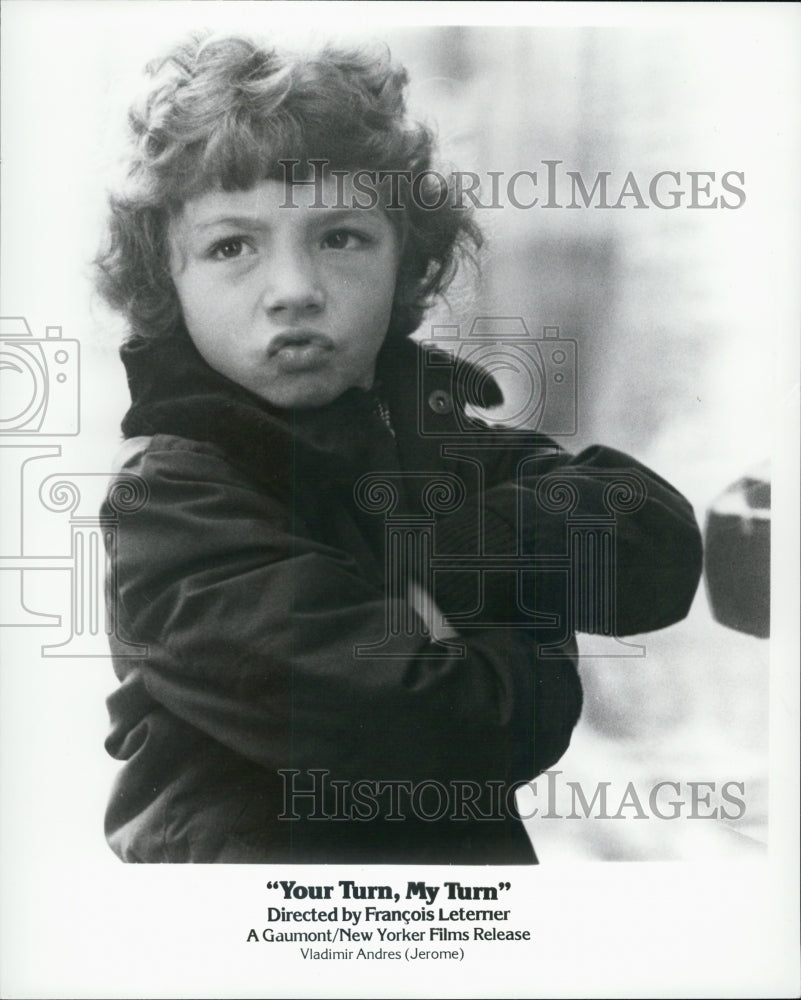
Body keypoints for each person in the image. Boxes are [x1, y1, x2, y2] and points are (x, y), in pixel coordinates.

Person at [95, 32, 703, 864]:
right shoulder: (171, 499)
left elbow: (653, 545)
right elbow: (447, 732)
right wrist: (534, 623)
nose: (294, 291)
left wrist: (433, 544)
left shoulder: (419, 427)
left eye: (339, 237)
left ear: (403, 259)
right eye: (231, 246)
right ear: (169, 284)